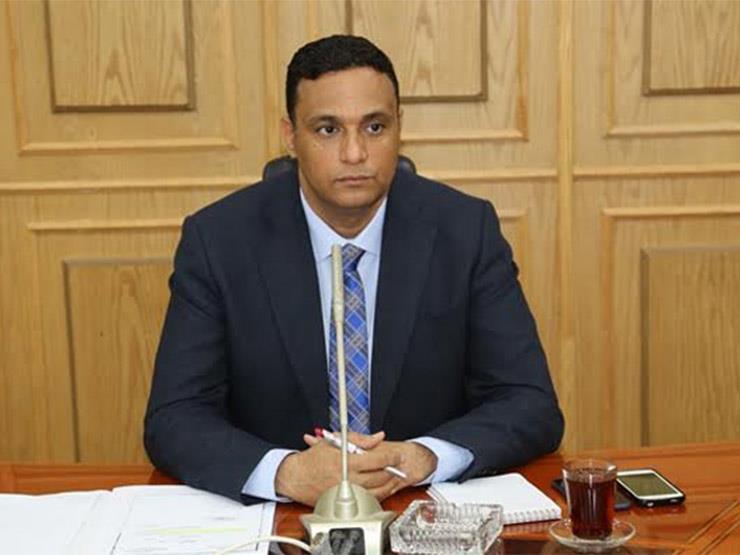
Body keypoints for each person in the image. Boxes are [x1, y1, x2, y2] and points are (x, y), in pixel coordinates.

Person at [144, 35, 564, 507]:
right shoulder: (219, 241)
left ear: (399, 128)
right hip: (282, 521)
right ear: (290, 136)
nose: (354, 153)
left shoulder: (465, 231)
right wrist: (285, 472)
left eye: (374, 127)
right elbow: (174, 417)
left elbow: (529, 403)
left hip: (420, 513)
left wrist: (425, 456)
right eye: (328, 129)